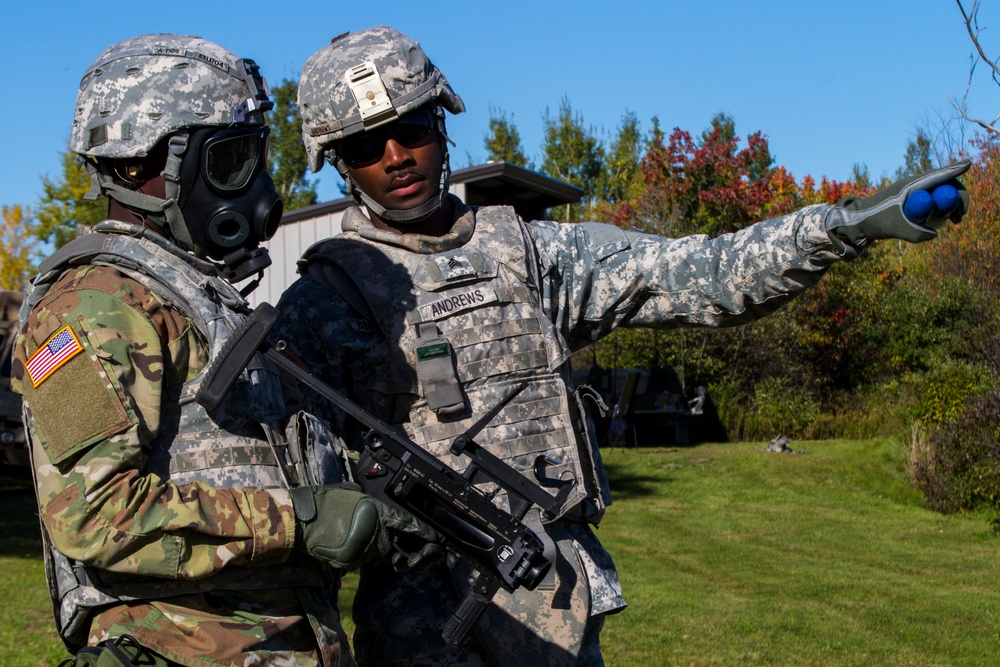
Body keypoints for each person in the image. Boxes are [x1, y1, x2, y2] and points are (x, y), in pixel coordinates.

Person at [274, 26, 971, 667]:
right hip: (424, 627)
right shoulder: (328, 297)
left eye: (412, 130)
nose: (396, 157)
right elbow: (275, 471)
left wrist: (846, 225)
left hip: (551, 602)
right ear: (338, 164)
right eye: (366, 147)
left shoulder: (528, 256)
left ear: (442, 125)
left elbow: (704, 275)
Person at [11, 33, 439, 667]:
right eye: (230, 160)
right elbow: (93, 513)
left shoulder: (188, 296)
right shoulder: (90, 306)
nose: (255, 185)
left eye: (252, 157)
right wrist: (300, 520)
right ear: (139, 169)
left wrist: (359, 504)